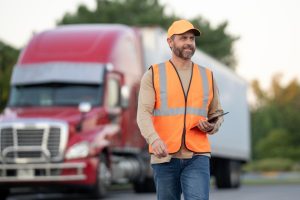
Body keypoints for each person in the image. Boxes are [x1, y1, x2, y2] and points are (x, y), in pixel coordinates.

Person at [137, 19, 224, 200]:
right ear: (170, 42)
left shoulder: (207, 75)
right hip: (165, 156)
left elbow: (217, 113)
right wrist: (154, 140)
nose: (189, 43)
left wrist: (212, 125)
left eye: (191, 38)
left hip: (197, 155)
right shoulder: (153, 74)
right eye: (183, 38)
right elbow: (143, 114)